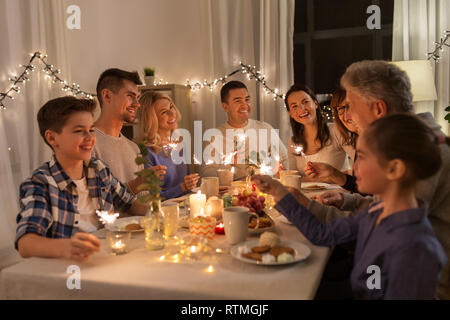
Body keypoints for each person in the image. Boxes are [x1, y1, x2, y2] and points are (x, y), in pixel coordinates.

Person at [288, 60, 450, 300]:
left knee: (300, 285)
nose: (347, 117)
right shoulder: (404, 141)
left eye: (351, 106)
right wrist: (349, 200)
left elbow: (380, 227)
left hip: (413, 286)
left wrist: (310, 209)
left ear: (378, 109)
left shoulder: (416, 153)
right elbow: (382, 211)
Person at [252, 113, 447, 299]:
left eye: (361, 157)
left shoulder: (415, 247)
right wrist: (279, 192)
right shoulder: (377, 212)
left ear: (394, 168)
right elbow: (323, 234)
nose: (354, 167)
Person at [15, 97, 147, 262]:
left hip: (106, 258)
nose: (89, 138)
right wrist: (67, 246)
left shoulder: (98, 169)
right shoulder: (41, 183)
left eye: (91, 130)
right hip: (68, 271)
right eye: (79, 131)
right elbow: (26, 244)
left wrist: (159, 212)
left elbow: (131, 204)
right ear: (52, 138)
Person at [93, 68, 166, 194]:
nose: (137, 104)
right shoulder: (88, 144)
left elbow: (142, 200)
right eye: (130, 96)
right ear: (107, 96)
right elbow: (92, 200)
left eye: (137, 97)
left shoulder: (134, 148)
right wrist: (137, 184)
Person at [200, 81, 289, 180]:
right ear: (225, 107)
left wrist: (279, 170)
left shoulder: (265, 128)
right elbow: (206, 173)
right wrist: (230, 167)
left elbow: (285, 159)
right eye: (238, 101)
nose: (245, 105)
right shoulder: (215, 136)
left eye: (247, 99)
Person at [135, 91, 199, 200]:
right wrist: (182, 187)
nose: (172, 114)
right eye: (164, 112)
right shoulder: (145, 153)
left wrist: (190, 184)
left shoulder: (179, 145)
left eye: (171, 107)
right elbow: (150, 198)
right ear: (151, 119)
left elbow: (187, 186)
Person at [285, 84, 351, 179]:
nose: (302, 109)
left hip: (338, 193)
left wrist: (332, 175)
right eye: (294, 106)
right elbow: (294, 177)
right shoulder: (293, 142)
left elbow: (359, 167)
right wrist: (282, 174)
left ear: (315, 103)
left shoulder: (336, 130)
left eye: (305, 102)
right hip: (306, 194)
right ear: (290, 113)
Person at [304, 87, 361, 193]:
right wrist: (332, 173)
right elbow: (362, 189)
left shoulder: (379, 143)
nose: (346, 115)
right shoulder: (360, 142)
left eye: (350, 106)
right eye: (340, 109)